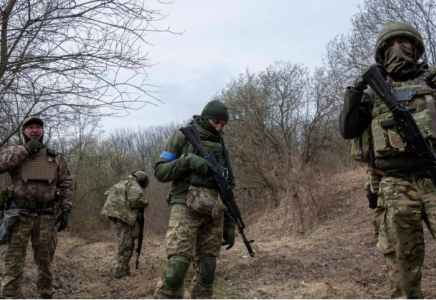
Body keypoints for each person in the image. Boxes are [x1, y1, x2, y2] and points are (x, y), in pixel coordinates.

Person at [339, 21, 436, 298]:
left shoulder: (431, 83)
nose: (397, 49)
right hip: (394, 186)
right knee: (402, 267)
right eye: (390, 45)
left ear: (415, 47)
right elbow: (347, 129)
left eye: (403, 43)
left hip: (433, 178)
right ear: (381, 53)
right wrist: (354, 91)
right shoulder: (372, 93)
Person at [153, 100, 236, 299]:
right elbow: (160, 171)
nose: (219, 128)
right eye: (216, 122)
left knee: (208, 268)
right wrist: (187, 161)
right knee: (178, 266)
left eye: (223, 125)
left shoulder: (222, 147)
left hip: (214, 211)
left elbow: (229, 188)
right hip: (184, 206)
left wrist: (230, 223)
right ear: (206, 118)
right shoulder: (181, 136)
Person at [0, 116, 74, 299]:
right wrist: (24, 151)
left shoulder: (55, 156)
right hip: (19, 216)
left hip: (46, 217)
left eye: (38, 127)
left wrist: (65, 210)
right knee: (13, 262)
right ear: (24, 131)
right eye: (30, 127)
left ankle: (45, 294)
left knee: (45, 261)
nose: (34, 130)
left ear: (42, 131)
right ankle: (10, 296)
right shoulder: (14, 152)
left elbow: (66, 183)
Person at [101, 170, 149, 278]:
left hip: (120, 217)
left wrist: (117, 209)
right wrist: (146, 202)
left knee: (127, 244)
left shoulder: (122, 183)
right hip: (125, 218)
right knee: (126, 246)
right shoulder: (133, 185)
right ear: (141, 179)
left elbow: (107, 194)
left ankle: (125, 270)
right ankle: (120, 272)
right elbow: (136, 200)